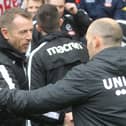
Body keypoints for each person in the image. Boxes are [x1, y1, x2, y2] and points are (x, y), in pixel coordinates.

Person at [0, 18, 125, 126]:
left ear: (96, 41)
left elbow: (34, 101)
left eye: (87, 41)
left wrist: (3, 94)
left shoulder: (88, 75)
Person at [28, 4, 89, 126]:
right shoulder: (82, 47)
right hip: (86, 116)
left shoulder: (37, 55)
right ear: (61, 22)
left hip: (57, 120)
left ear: (38, 28)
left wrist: (61, 118)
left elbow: (34, 101)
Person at [0, 8, 33, 126]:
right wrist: (58, 117)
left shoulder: (19, 53)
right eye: (23, 32)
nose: (29, 37)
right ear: (5, 33)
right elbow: (16, 102)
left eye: (31, 31)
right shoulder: (2, 62)